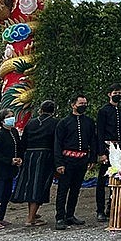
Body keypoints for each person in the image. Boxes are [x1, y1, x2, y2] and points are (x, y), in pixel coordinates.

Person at [54, 93, 96, 230]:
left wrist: (92, 158)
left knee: (76, 189)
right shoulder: (64, 122)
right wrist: (59, 163)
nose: (83, 106)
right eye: (80, 104)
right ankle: (60, 217)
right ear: (73, 105)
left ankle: (70, 215)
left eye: (85, 104)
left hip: (82, 160)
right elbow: (57, 144)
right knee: (63, 190)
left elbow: (92, 141)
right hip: (67, 160)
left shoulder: (89, 122)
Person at [12, 100, 56, 226]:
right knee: (39, 186)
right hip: (45, 156)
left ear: (40, 110)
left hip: (29, 155)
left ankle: (32, 214)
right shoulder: (54, 123)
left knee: (30, 184)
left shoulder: (31, 123)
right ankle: (30, 218)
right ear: (53, 111)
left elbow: (23, 141)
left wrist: (21, 156)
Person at [0, 109, 22, 230]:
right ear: (2, 121)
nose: (12, 118)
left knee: (6, 195)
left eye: (13, 116)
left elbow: (18, 147)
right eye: (9, 117)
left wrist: (19, 159)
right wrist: (9, 160)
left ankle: (0, 217)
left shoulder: (14, 132)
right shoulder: (0, 135)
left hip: (9, 171)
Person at [95, 83, 121, 222]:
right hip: (107, 147)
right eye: (115, 92)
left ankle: (113, 207)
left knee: (120, 178)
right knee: (102, 180)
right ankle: (100, 210)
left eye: (119, 92)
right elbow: (99, 132)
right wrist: (101, 152)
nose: (117, 95)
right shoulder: (103, 111)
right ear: (109, 94)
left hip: (120, 149)